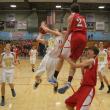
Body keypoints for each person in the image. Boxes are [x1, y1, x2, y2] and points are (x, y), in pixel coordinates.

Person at [48, 3, 87, 94]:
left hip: (75, 37)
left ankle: (54, 77)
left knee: (61, 56)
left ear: (71, 10)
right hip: (84, 38)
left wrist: (64, 43)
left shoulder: (71, 16)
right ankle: (69, 82)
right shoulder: (82, 17)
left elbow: (69, 31)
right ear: (79, 10)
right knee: (73, 62)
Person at [33, 23, 64, 93]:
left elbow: (50, 31)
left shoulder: (61, 36)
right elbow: (38, 39)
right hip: (47, 57)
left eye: (56, 31)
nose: (55, 32)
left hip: (54, 60)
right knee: (37, 75)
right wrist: (41, 33)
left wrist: (44, 27)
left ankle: (56, 85)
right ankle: (38, 81)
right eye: (54, 31)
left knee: (50, 79)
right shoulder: (51, 40)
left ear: (59, 32)